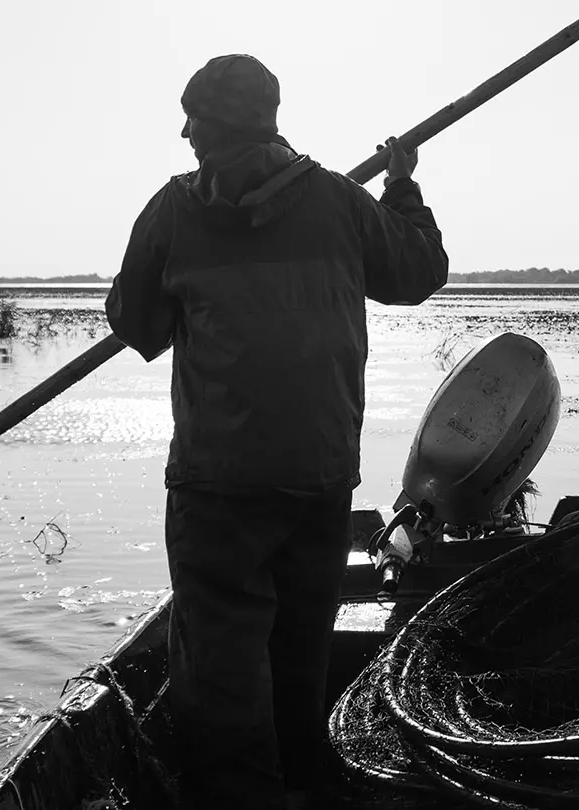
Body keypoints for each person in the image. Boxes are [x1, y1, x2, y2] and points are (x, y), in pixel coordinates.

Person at [105, 54, 449, 810]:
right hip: (318, 475)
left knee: (221, 666)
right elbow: (420, 271)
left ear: (213, 127)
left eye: (192, 118)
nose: (184, 131)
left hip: (217, 481)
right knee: (300, 649)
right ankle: (298, 788)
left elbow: (137, 326)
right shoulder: (339, 201)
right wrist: (402, 186)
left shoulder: (173, 211)